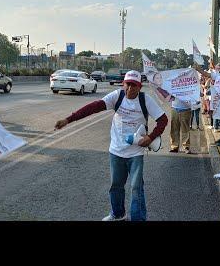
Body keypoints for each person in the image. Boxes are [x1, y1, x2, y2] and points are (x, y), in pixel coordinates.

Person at [54, 70, 168, 221]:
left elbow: (163, 119)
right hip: (116, 150)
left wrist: (150, 137)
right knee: (116, 186)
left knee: (136, 188)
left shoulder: (145, 100)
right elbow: (94, 107)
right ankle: (118, 214)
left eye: (134, 86)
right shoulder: (117, 96)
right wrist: (69, 119)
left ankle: (138, 218)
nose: (130, 89)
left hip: (135, 152)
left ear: (140, 87)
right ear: (123, 84)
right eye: (128, 84)